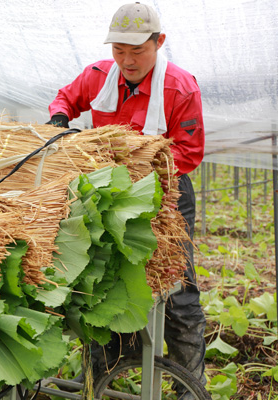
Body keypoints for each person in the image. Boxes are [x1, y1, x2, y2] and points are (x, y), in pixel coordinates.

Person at [47, 1, 207, 395]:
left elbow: (190, 151)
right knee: (104, 280)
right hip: (108, 193)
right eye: (120, 51)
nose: (128, 60)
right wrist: (59, 120)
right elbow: (64, 99)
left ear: (159, 43)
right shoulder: (99, 76)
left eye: (138, 51)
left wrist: (143, 169)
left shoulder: (179, 87)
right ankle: (105, 376)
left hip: (166, 192)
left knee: (177, 291)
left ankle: (191, 387)